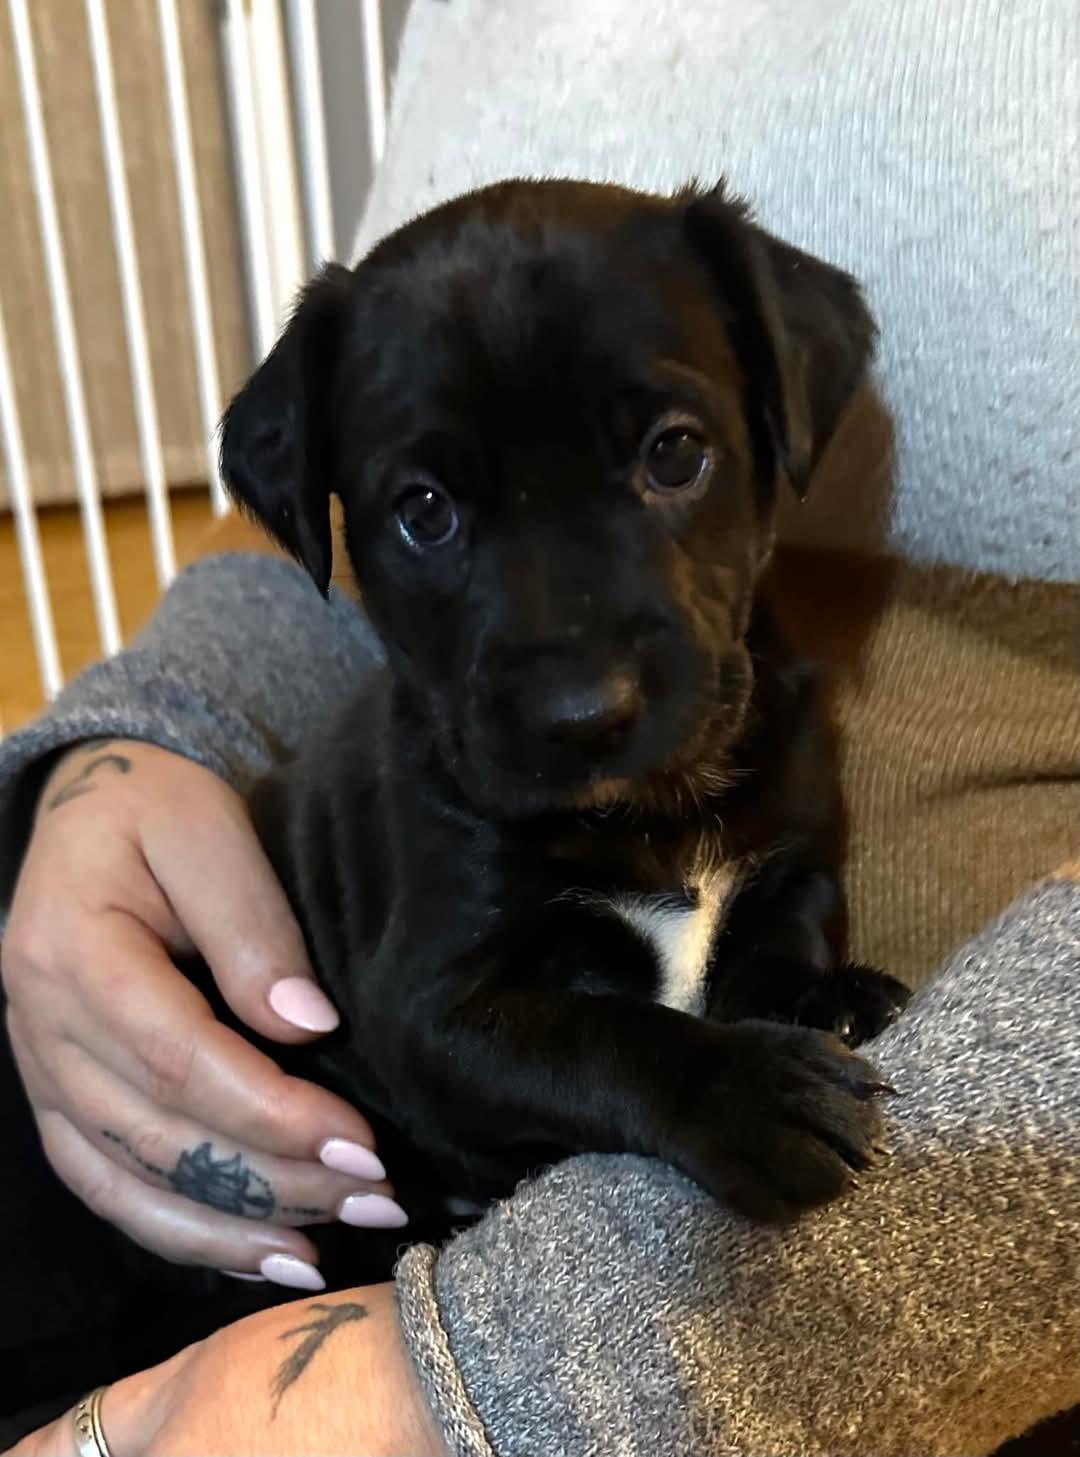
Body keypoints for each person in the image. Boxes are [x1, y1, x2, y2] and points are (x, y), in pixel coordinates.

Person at [2, 0, 1078, 1452]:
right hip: (181, 1205)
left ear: (784, 420)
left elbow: (789, 891)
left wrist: (767, 1034)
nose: (581, 678)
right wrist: (114, 749)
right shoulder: (445, 800)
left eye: (667, 454)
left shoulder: (783, 743)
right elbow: (437, 1020)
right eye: (427, 509)